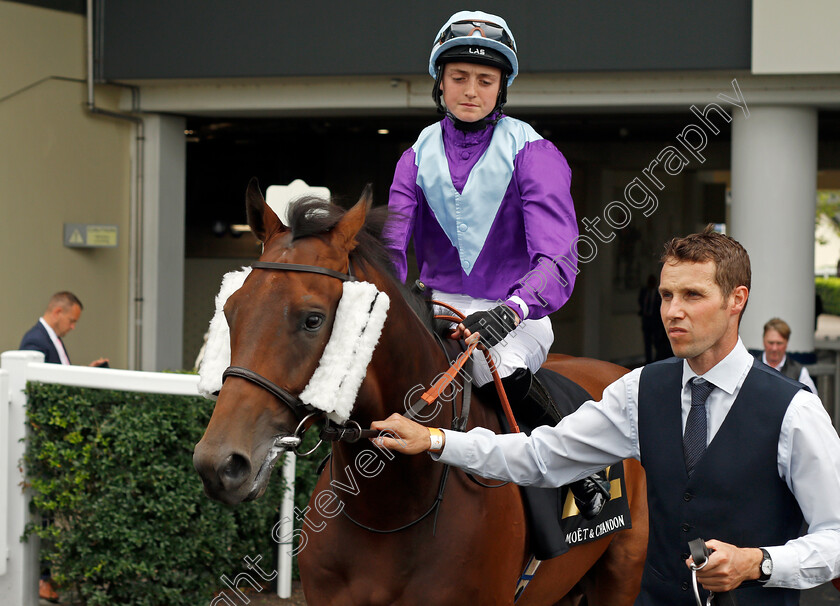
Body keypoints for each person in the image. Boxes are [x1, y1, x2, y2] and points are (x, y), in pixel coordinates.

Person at [372, 226, 840, 605]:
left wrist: (758, 563)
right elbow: (541, 456)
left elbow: (836, 537)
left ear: (736, 299)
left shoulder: (793, 408)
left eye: (692, 296)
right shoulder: (641, 390)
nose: (672, 312)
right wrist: (435, 440)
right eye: (665, 295)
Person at [383, 11, 609, 519]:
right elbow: (391, 251)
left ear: (501, 88)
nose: (470, 90)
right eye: (458, 77)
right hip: (434, 310)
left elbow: (557, 256)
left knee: (491, 372)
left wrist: (510, 310)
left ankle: (582, 469)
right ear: (439, 83)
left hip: (513, 313)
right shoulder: (413, 158)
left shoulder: (533, 151)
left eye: (485, 80)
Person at [19, 291, 108, 367]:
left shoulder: (53, 338)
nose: (73, 327)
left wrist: (85, 372)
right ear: (57, 312)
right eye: (71, 321)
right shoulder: (35, 340)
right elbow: (36, 382)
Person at [759, 317, 818, 395]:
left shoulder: (799, 373)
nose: (774, 348)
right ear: (763, 341)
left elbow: (811, 402)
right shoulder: (750, 368)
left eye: (779, 343)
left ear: (787, 343)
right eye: (771, 343)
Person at [638, 274, 661, 363]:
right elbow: (640, 302)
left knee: (656, 342)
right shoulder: (644, 291)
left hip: (655, 322)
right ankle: (648, 361)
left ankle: (657, 360)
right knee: (647, 342)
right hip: (646, 320)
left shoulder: (658, 294)